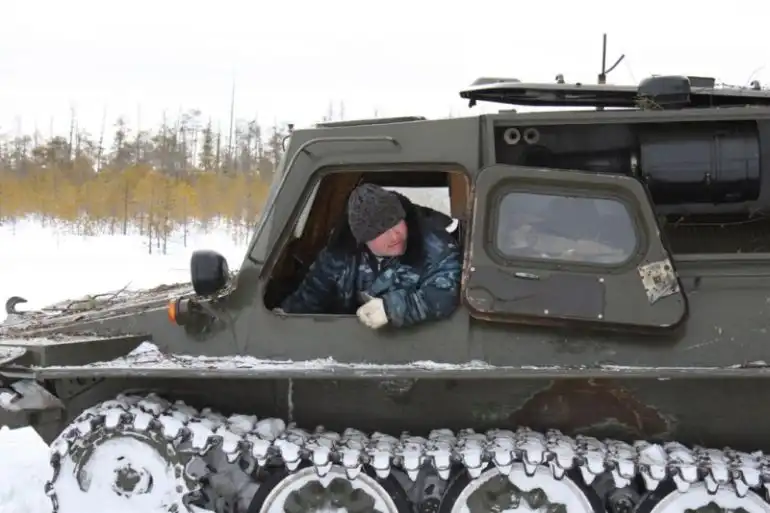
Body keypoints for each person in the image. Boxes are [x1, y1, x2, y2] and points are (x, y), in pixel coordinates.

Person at [278, 183, 463, 329]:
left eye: (397, 223)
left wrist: (393, 308)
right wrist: (282, 319)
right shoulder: (339, 254)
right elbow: (311, 296)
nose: (395, 236)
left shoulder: (435, 247)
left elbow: (449, 292)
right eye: (382, 231)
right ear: (363, 239)